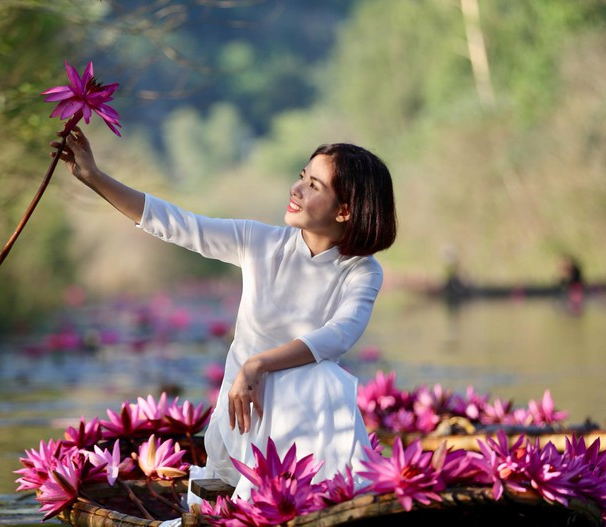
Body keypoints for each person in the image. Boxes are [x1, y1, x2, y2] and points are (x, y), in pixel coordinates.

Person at [51, 127, 397, 499]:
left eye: (314, 186)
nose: (296, 190)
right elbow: (177, 224)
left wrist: (258, 364)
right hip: (246, 413)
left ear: (344, 210)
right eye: (301, 177)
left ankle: (317, 494)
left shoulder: (361, 270)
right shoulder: (259, 242)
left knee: (324, 377)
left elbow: (341, 334)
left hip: (307, 415)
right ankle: (281, 493)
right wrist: (94, 177)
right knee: (322, 379)